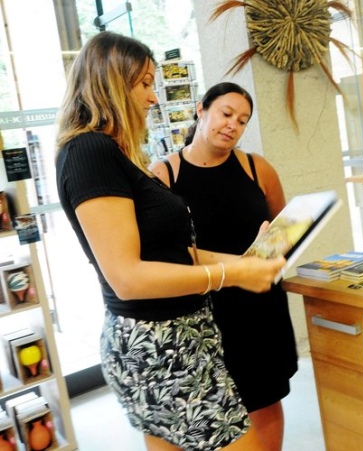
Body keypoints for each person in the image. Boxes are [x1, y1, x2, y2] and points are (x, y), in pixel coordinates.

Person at [55, 32, 286, 450]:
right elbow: (128, 277)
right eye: (144, 84)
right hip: (159, 346)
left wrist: (245, 264)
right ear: (111, 82)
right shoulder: (89, 153)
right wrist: (230, 274)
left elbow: (175, 253)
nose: (152, 98)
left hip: (182, 337)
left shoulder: (114, 154)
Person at [150, 82, 297, 450]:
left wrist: (275, 245)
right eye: (226, 114)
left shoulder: (256, 168)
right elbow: (162, 251)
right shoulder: (164, 175)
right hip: (203, 311)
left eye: (243, 120)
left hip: (260, 306)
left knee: (264, 401)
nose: (233, 125)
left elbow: (286, 229)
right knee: (210, 410)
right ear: (201, 110)